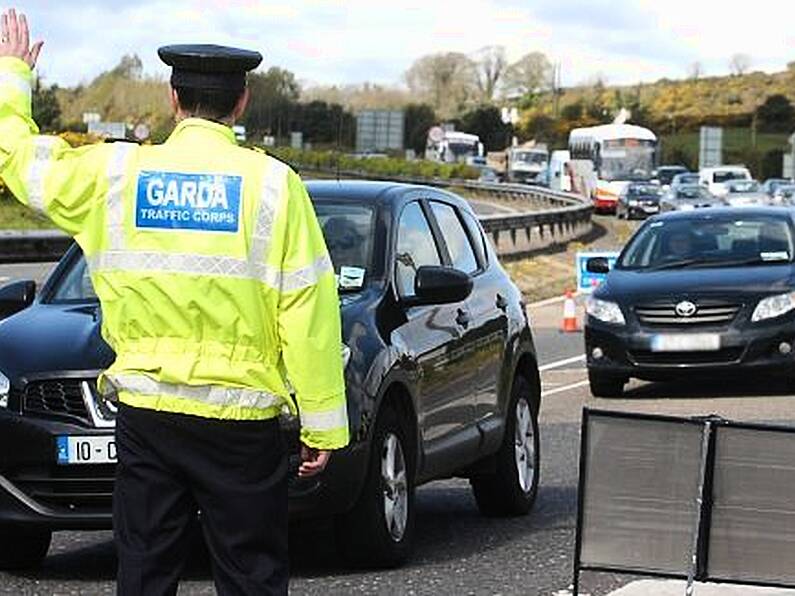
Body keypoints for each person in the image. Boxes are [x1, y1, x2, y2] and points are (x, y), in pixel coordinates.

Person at [0, 8, 349, 595]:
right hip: (242, 421)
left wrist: (12, 74)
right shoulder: (273, 186)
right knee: (251, 575)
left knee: (146, 570)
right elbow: (308, 310)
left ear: (172, 99)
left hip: (148, 413)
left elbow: (19, 160)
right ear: (242, 104)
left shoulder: (115, 174)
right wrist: (321, 425)